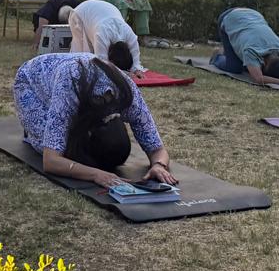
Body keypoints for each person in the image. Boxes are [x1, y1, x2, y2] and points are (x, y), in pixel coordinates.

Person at [13, 52, 177, 187]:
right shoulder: (70, 88)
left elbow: (157, 149)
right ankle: (33, 133)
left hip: (70, 85)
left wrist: (159, 165)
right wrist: (95, 174)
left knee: (70, 144)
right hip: (30, 81)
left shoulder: (128, 96)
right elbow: (51, 161)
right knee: (60, 150)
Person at [211, 7, 279, 91]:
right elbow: (258, 79)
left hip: (253, 14)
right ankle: (217, 55)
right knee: (234, 68)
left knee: (249, 66)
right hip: (229, 17)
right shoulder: (251, 50)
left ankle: (234, 55)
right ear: (264, 63)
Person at [68, 0, 145, 76]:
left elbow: (135, 55)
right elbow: (101, 62)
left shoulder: (130, 35)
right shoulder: (102, 34)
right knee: (83, 55)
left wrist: (136, 70)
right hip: (81, 12)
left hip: (105, 10)